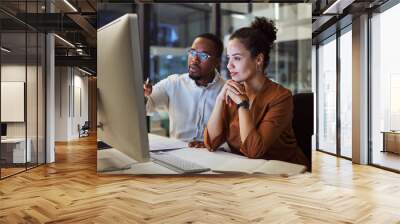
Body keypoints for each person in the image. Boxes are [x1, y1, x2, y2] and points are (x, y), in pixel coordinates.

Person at [204, 17, 308, 168]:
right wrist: (220, 99)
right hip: (246, 170)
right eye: (228, 58)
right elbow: (211, 143)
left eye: (237, 58)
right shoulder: (232, 91)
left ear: (258, 59)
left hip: (285, 173)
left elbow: (254, 150)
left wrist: (243, 105)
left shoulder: (281, 97)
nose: (229, 65)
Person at [144, 33, 225, 147]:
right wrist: (143, 95)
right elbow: (147, 106)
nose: (194, 59)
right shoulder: (173, 83)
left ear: (217, 61)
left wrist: (212, 144)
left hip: (215, 154)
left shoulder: (227, 91)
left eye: (203, 56)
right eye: (192, 52)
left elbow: (234, 136)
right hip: (177, 152)